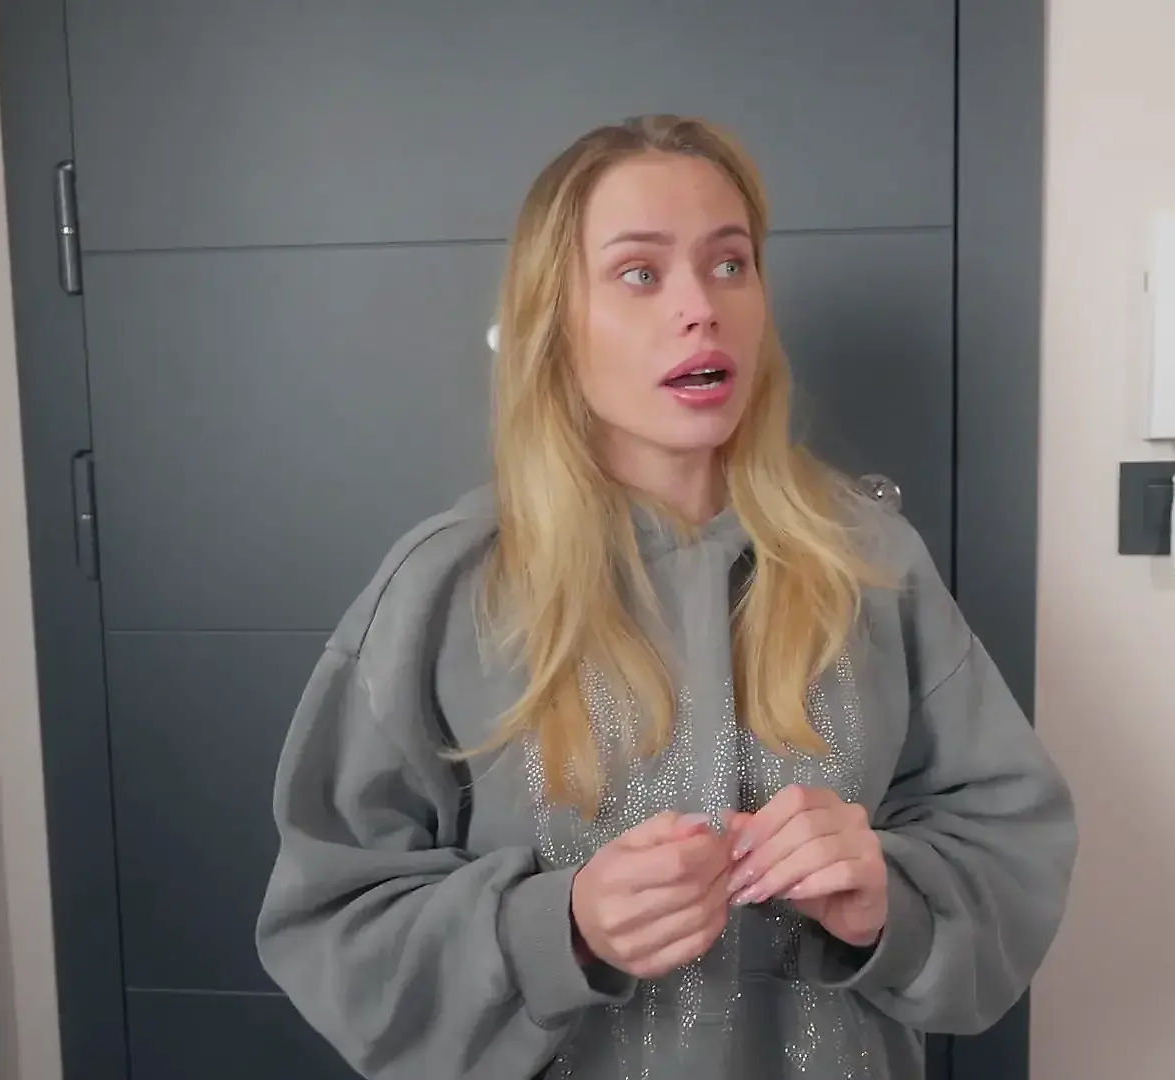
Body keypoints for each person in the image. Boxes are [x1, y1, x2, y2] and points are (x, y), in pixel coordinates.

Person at [254, 114, 1078, 1080]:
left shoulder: (871, 565)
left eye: (730, 264)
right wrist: (559, 927)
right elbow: (334, 922)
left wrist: (886, 901)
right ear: (554, 320)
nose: (701, 308)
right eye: (640, 273)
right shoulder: (445, 590)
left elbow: (1009, 846)